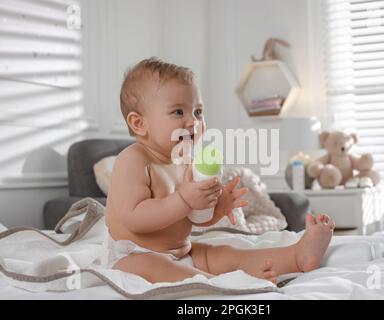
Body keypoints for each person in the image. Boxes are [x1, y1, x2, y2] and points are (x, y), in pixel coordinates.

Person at [105, 57, 335, 284]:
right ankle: (220, 283)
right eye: (178, 112)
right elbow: (134, 218)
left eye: (197, 111)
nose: (193, 122)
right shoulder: (133, 160)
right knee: (149, 265)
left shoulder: (185, 160)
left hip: (183, 251)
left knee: (224, 254)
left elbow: (190, 218)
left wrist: (214, 210)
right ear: (139, 123)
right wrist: (184, 198)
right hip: (134, 256)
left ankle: (296, 256)